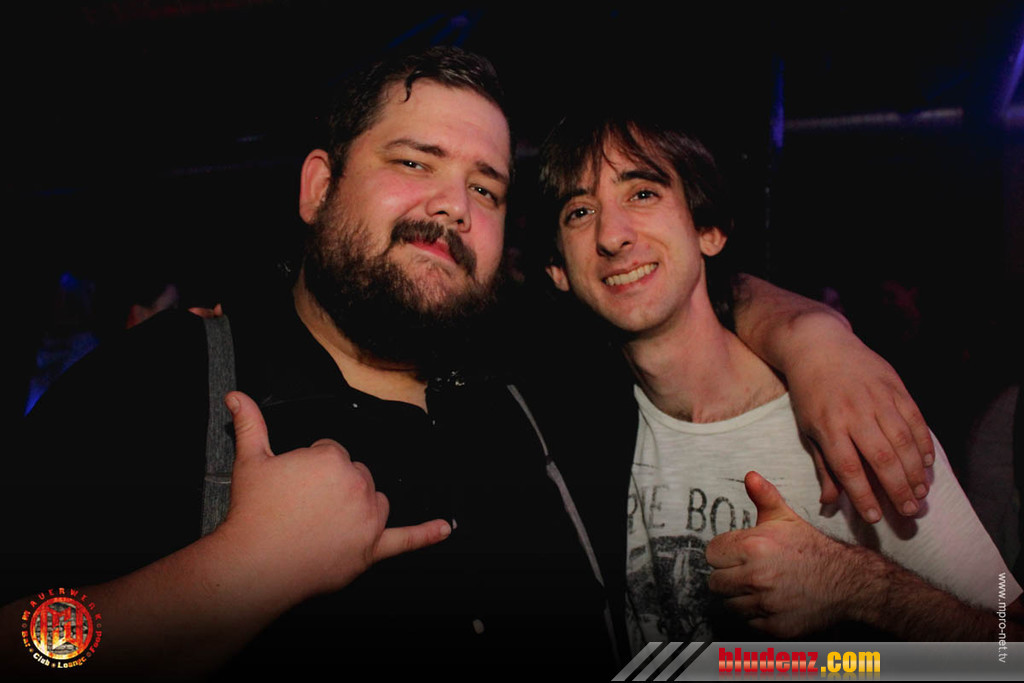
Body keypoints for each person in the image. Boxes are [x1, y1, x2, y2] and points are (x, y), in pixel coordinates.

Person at [2, 47, 933, 679]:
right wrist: (236, 577)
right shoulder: (166, 384)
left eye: (484, 189)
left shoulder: (550, 380)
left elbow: (679, 287)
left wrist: (816, 338)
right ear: (319, 186)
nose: (453, 207)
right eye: (416, 163)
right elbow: (29, 647)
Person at [536, 106, 1024, 646]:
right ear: (558, 270)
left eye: (643, 193)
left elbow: (1012, 647)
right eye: (580, 211)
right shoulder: (578, 428)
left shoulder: (846, 418)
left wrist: (857, 587)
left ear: (709, 230)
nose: (611, 235)